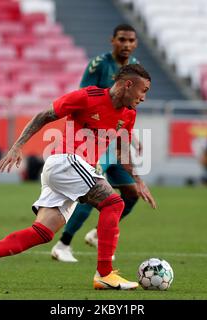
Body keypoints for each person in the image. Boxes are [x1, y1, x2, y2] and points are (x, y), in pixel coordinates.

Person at [0, 64, 157, 290]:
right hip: (66, 161)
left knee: (42, 233)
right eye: (144, 90)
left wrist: (138, 180)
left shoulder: (129, 114)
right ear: (128, 84)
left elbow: (122, 149)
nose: (144, 97)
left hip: (71, 172)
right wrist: (17, 147)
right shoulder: (88, 96)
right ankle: (105, 274)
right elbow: (45, 115)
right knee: (114, 203)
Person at [51, 24, 142, 262]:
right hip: (93, 142)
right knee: (93, 192)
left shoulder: (135, 67)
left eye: (131, 40)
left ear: (136, 43)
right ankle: (62, 245)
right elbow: (83, 100)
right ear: (112, 40)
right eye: (122, 39)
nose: (126, 44)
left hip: (114, 141)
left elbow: (127, 109)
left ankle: (98, 233)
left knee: (132, 192)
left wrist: (134, 136)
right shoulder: (99, 65)